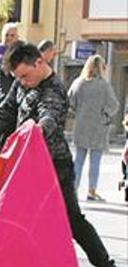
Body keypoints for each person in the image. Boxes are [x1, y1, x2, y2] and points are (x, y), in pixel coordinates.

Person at [0, 42, 124, 267]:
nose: (22, 82)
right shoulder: (21, 85)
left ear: (39, 63)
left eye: (24, 76)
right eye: (18, 78)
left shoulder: (55, 89)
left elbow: (49, 117)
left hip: (54, 168)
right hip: (24, 168)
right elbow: (5, 112)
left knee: (73, 222)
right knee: (17, 225)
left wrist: (37, 130)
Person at [68, 54, 120, 201]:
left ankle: (74, 190)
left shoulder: (78, 83)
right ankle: (91, 191)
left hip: (81, 125)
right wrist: (105, 115)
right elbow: (114, 105)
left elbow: (70, 102)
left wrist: (77, 112)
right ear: (102, 68)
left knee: (78, 160)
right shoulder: (104, 85)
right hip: (98, 126)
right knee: (95, 160)